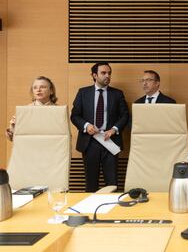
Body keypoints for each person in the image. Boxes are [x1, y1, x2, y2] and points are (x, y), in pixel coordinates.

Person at [71, 62, 129, 192]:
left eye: (109, 73)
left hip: (110, 142)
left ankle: (112, 211)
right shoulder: (83, 92)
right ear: (94, 75)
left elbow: (125, 116)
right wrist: (86, 125)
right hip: (89, 142)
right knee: (91, 183)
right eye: (103, 73)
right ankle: (91, 211)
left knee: (112, 183)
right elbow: (75, 116)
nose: (107, 75)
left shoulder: (118, 94)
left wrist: (114, 129)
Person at [5, 76, 58, 141]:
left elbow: (65, 137)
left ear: (51, 91)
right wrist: (12, 129)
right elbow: (12, 139)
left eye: (43, 87)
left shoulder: (59, 111)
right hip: (29, 149)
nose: (38, 90)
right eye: (35, 88)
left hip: (52, 149)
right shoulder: (24, 111)